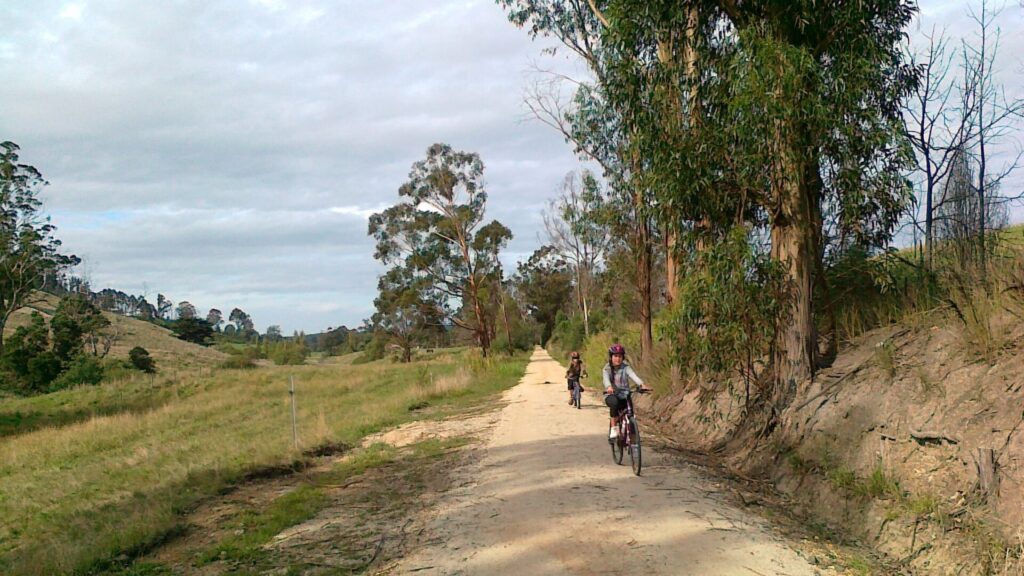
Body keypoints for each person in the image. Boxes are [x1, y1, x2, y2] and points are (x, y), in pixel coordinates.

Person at [602, 343, 651, 440]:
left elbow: (633, 376)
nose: (618, 359)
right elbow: (606, 379)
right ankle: (614, 428)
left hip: (624, 394)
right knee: (614, 404)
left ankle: (632, 440)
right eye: (615, 356)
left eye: (620, 356)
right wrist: (609, 387)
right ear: (611, 357)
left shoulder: (626, 367)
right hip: (611, 395)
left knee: (630, 413)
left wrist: (641, 384)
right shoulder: (607, 369)